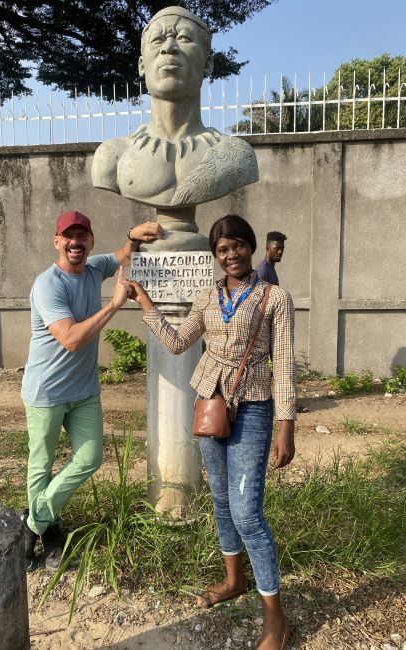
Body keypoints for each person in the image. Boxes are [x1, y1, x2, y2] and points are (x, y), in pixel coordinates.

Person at [124, 214, 295, 650]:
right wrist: (146, 303)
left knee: (248, 514)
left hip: (253, 406)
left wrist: (286, 426)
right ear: (215, 256)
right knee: (221, 500)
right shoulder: (206, 296)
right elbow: (180, 342)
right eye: (222, 249)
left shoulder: (274, 298)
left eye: (237, 245)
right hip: (209, 406)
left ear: (251, 247)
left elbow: (284, 365)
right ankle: (234, 580)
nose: (231, 254)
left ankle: (275, 619)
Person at [20, 210, 161, 571]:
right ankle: (49, 537)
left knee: (90, 458)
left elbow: (123, 256)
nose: (75, 243)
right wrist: (114, 305)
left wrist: (132, 234)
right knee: (42, 466)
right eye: (69, 237)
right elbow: (70, 339)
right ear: (57, 242)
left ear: (90, 242)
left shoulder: (95, 267)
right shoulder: (47, 285)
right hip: (46, 392)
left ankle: (31, 524)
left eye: (82, 236)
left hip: (83, 391)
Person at [91, 6, 257, 209]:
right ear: (142, 66)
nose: (168, 47)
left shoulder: (236, 155)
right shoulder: (112, 156)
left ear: (208, 64)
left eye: (184, 38)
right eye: (158, 40)